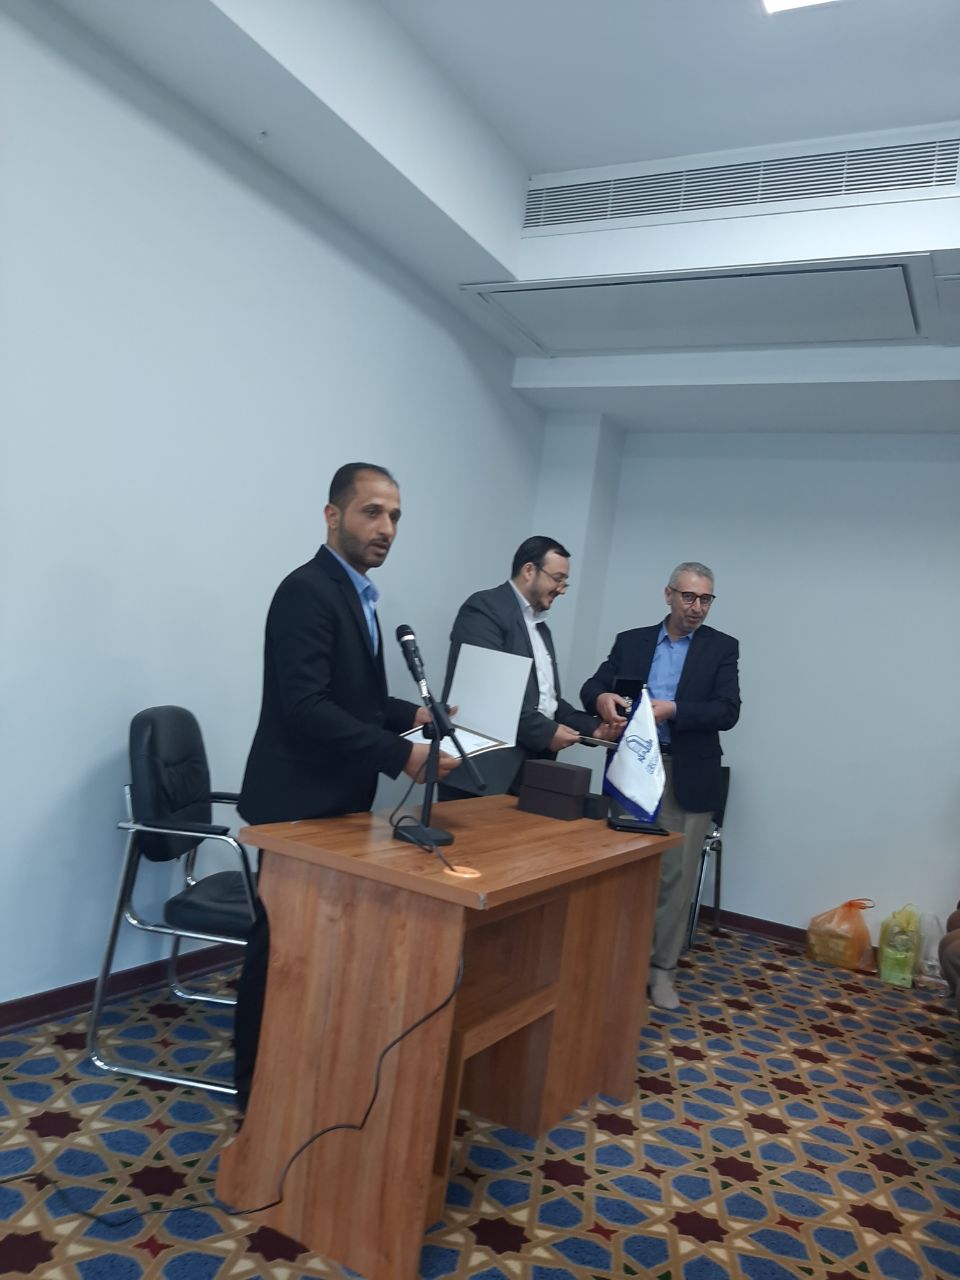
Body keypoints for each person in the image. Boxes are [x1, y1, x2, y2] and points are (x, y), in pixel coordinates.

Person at [234, 462, 457, 1108]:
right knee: (279, 955)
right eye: (372, 512)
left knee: (315, 954)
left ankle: (299, 1079)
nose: (386, 528)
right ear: (333, 516)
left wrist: (413, 715)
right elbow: (306, 706)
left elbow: (353, 698)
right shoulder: (307, 590)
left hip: (335, 808)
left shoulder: (357, 595)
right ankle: (253, 1096)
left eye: (395, 517)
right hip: (297, 808)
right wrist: (402, 754)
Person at [581, 562, 740, 1011]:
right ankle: (616, 961)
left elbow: (727, 710)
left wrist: (675, 710)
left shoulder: (721, 648)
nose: (697, 607)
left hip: (687, 772)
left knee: (675, 878)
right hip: (633, 767)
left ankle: (660, 970)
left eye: (706, 599)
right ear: (668, 595)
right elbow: (592, 686)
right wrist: (600, 698)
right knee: (625, 870)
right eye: (689, 597)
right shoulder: (631, 641)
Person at [441, 536, 617, 797]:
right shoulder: (484, 609)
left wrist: (594, 728)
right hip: (482, 774)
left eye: (564, 582)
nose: (561, 589)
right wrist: (548, 732)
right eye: (557, 579)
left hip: (529, 775)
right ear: (529, 571)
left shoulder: (540, 628)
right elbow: (490, 694)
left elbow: (546, 702)